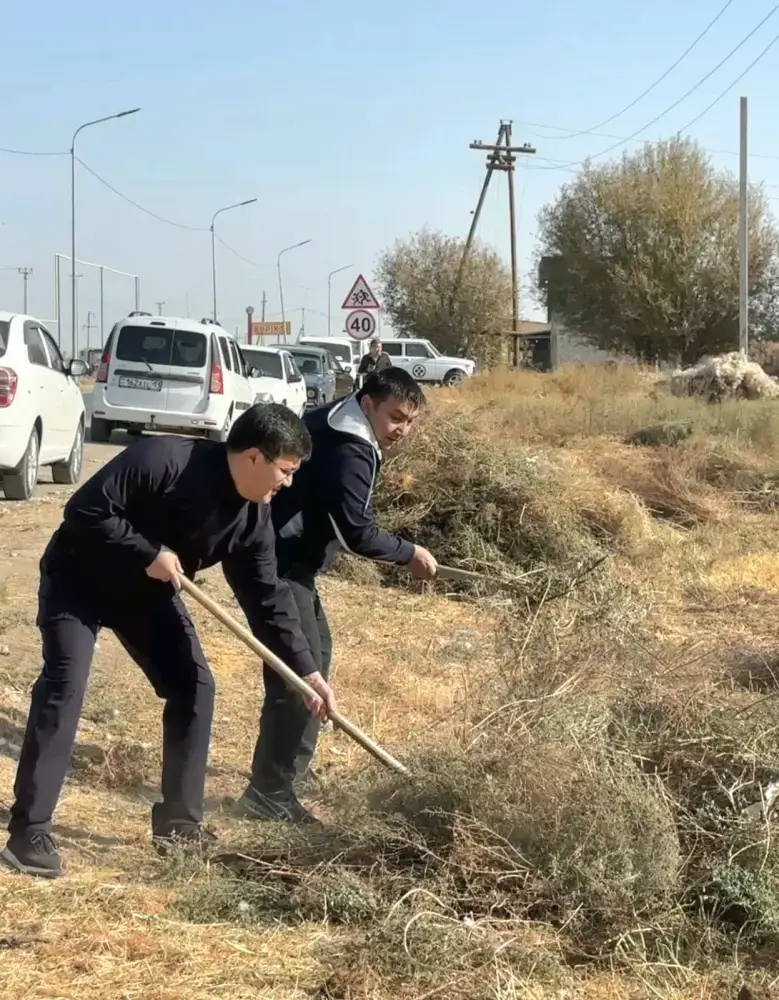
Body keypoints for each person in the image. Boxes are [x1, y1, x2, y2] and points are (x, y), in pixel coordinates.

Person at [1, 404, 333, 878]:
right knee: (65, 685)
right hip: (78, 578)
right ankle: (28, 831)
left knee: (194, 686)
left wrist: (306, 670)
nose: (288, 483)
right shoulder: (163, 460)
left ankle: (180, 826)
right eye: (286, 470)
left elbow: (267, 601)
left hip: (144, 597)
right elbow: (83, 510)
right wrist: (148, 551)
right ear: (255, 458)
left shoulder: (252, 519)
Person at [237, 367, 437, 824]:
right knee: (297, 676)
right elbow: (356, 533)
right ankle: (268, 793)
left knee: (316, 655)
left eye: (409, 421)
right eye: (395, 418)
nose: (401, 430)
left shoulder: (337, 417)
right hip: (277, 562)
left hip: (292, 560)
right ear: (368, 404)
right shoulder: (350, 449)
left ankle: (291, 770)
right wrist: (409, 554)